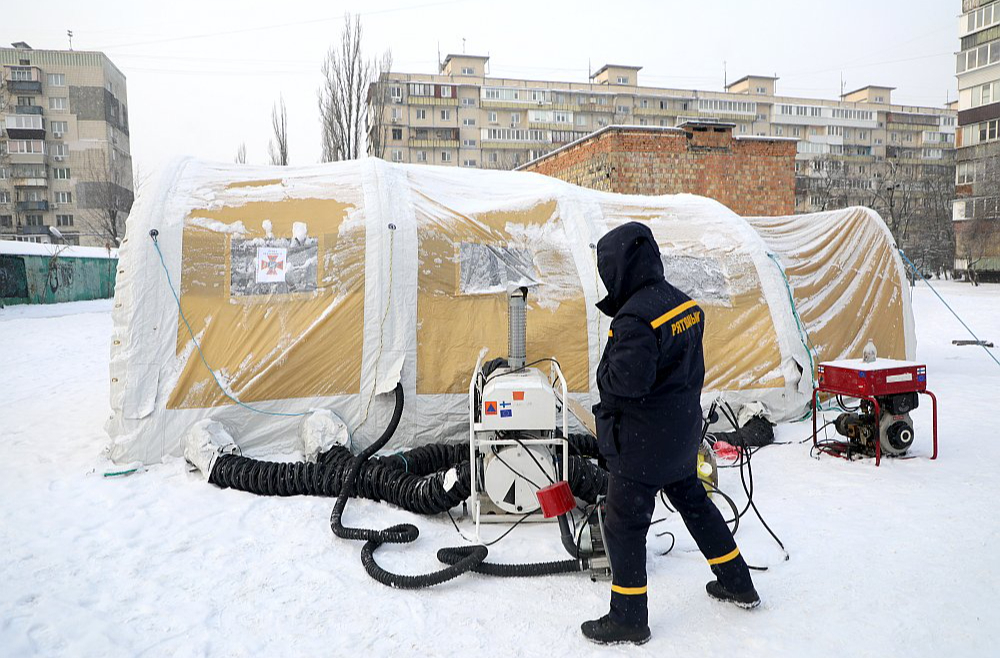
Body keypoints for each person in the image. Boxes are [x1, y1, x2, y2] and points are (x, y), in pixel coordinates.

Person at [582, 222, 759, 646]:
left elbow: (627, 382)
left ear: (620, 266)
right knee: (697, 507)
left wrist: (602, 374)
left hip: (641, 447)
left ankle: (629, 618)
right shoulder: (684, 305)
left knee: (624, 526)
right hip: (680, 438)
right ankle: (737, 582)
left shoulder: (635, 318)